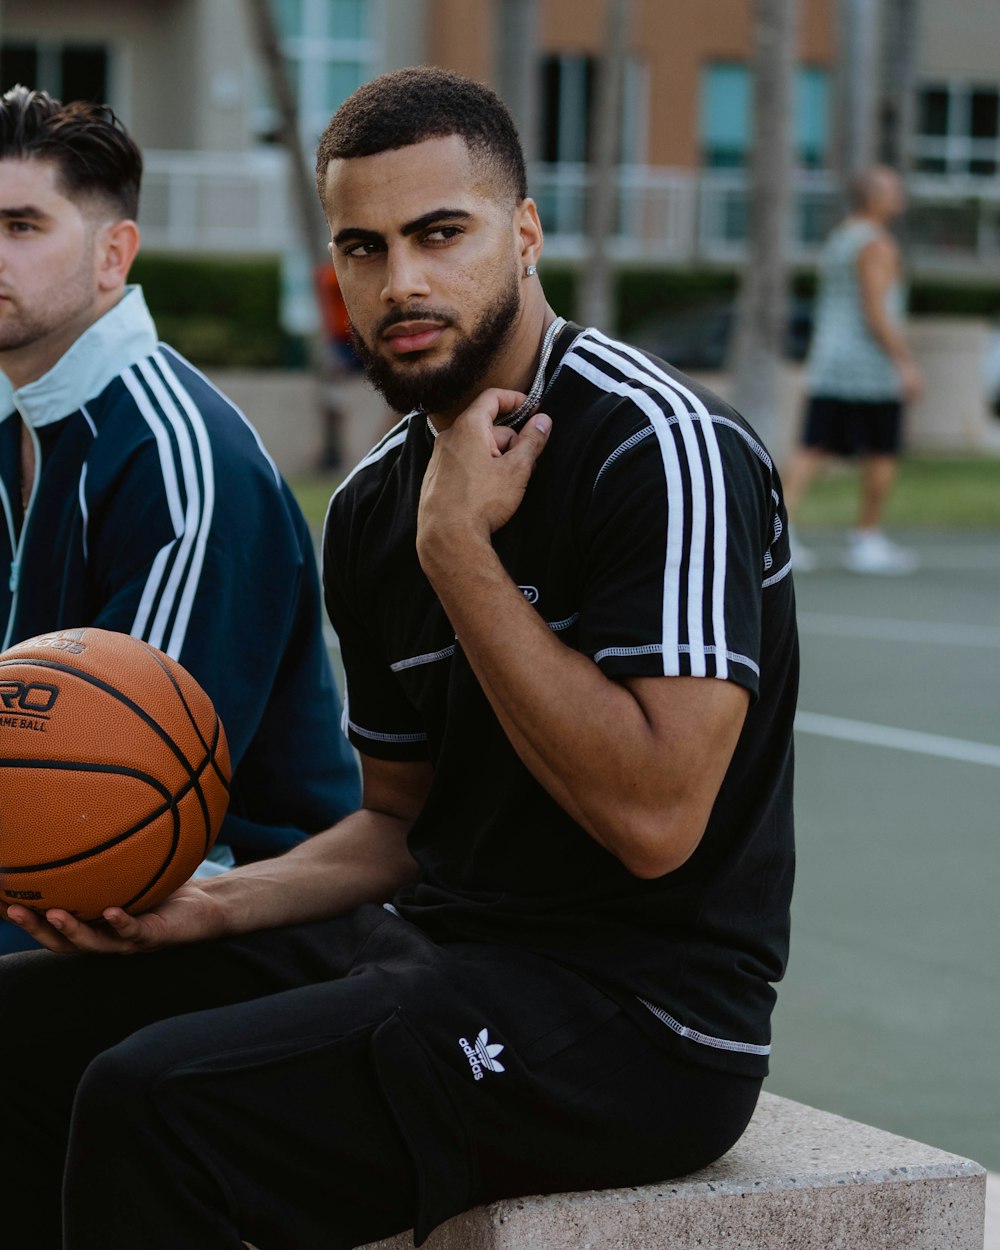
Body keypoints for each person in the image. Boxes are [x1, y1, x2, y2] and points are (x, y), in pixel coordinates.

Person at [0, 68, 797, 1250]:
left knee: (158, 1101)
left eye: (440, 234)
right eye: (361, 248)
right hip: (435, 949)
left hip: (642, 1016)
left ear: (523, 234)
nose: (400, 282)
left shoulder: (656, 446)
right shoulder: (374, 501)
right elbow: (394, 825)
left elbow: (655, 818)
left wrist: (459, 551)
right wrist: (202, 907)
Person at [0, 86, 360, 955]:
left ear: (111, 254)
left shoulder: (177, 460)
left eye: (21, 226)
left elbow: (113, 800)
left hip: (228, 906)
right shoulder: (19, 421)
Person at [783, 164, 924, 574]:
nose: (900, 196)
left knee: (812, 448)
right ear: (876, 197)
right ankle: (867, 538)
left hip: (829, 362)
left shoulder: (841, 238)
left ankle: (778, 533)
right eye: (893, 189)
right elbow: (876, 310)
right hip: (867, 368)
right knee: (881, 451)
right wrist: (905, 361)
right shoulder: (877, 245)